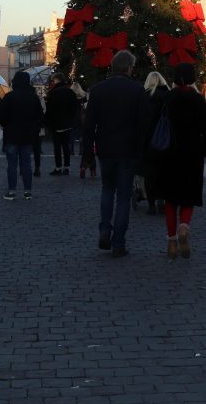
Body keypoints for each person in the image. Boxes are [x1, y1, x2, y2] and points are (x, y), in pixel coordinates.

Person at [82, 50, 149, 257]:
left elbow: (88, 124)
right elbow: (143, 125)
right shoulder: (137, 90)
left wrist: (88, 153)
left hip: (106, 149)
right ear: (130, 67)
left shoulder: (98, 90)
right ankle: (118, 241)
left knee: (107, 190)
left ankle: (104, 230)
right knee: (123, 196)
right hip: (128, 151)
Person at [155, 62, 206, 259]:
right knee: (189, 196)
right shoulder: (198, 100)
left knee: (170, 198)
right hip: (192, 153)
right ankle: (184, 226)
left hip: (169, 154)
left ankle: (171, 240)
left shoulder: (167, 99)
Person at [0, 70, 43, 200]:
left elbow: (1, 117)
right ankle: (27, 191)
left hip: (11, 135)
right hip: (28, 135)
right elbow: (40, 116)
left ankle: (12, 191)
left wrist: (7, 123)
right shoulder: (33, 97)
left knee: (12, 165)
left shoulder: (9, 97)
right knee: (26, 164)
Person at [142, 71, 170, 214]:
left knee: (149, 174)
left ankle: (151, 203)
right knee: (164, 172)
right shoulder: (168, 96)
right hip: (165, 139)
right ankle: (163, 200)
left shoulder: (144, 97)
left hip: (148, 141)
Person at [45, 75, 79, 175]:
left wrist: (48, 123)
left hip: (56, 124)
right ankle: (67, 167)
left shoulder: (53, 93)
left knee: (57, 147)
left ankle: (58, 167)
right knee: (66, 146)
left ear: (56, 80)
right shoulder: (70, 92)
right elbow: (74, 108)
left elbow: (49, 110)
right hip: (68, 124)